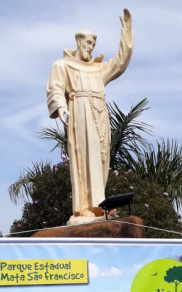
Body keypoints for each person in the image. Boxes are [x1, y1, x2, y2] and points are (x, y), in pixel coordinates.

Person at [46, 9, 133, 224]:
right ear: (78, 41)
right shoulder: (63, 65)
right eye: (87, 43)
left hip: (100, 114)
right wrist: (61, 107)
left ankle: (98, 206)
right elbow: (55, 88)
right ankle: (82, 208)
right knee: (82, 158)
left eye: (93, 44)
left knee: (100, 159)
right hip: (79, 111)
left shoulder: (99, 69)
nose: (90, 47)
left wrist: (127, 31)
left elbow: (121, 62)